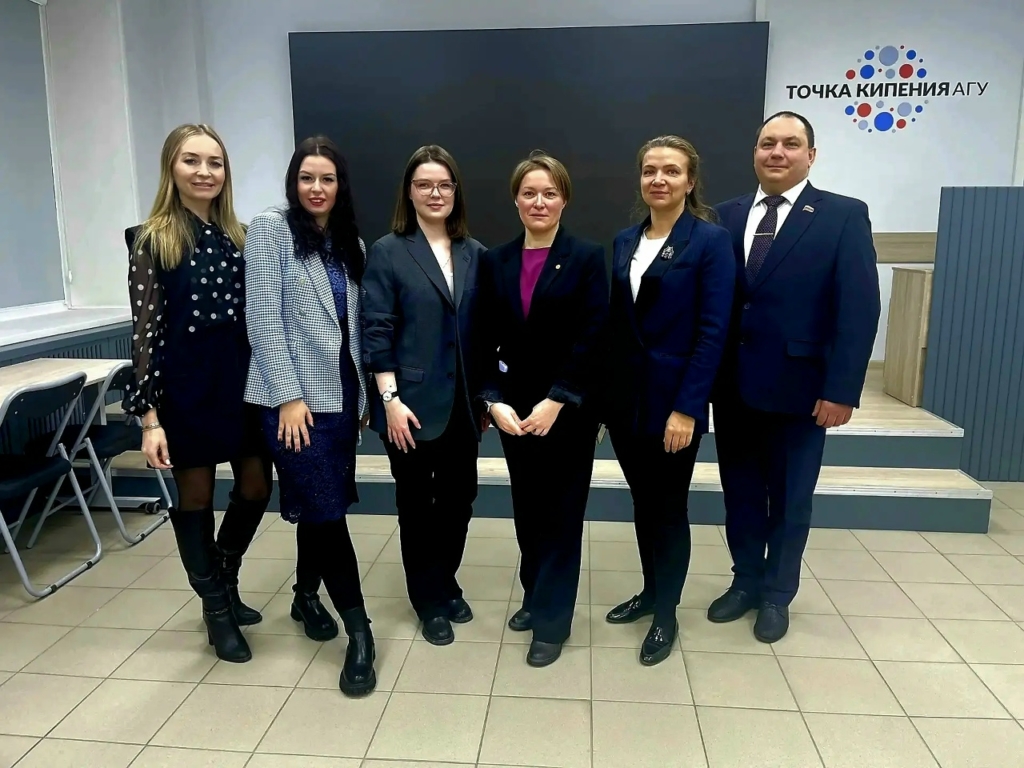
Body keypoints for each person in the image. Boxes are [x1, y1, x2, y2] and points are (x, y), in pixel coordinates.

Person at [710, 111, 880, 643]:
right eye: (767, 143)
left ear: (811, 154)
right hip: (733, 387)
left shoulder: (842, 215)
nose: (776, 152)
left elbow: (859, 310)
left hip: (801, 390)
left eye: (789, 143)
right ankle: (745, 580)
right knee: (740, 493)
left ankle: (777, 594)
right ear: (754, 153)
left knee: (789, 499)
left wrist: (841, 389)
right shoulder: (724, 215)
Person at [124, 124, 272, 664]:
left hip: (243, 384)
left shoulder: (241, 237)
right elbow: (144, 334)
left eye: (215, 162)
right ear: (171, 166)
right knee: (197, 498)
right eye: (192, 160)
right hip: (185, 390)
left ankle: (225, 576)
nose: (205, 172)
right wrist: (150, 419)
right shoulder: (151, 239)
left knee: (257, 487)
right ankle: (216, 609)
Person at [244, 135, 376, 695]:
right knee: (326, 511)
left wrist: (362, 397)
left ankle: (303, 596)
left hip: (342, 400)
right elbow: (262, 318)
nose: (316, 188)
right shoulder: (271, 229)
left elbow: (352, 329)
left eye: (327, 178)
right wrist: (288, 397)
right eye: (306, 177)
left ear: (340, 186)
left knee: (319, 506)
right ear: (292, 182)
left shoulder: (350, 243)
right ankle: (361, 632)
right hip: (292, 405)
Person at [603, 136, 735, 666]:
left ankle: (667, 613)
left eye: (671, 171)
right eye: (650, 170)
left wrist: (688, 408)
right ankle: (650, 591)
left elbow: (713, 332)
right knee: (642, 502)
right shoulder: (624, 240)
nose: (659, 179)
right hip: (626, 402)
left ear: (690, 181)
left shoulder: (710, 242)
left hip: (674, 404)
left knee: (668, 507)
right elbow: (618, 325)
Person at [477, 151, 609, 667]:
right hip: (515, 413)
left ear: (564, 200)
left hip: (566, 412)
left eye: (549, 193)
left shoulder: (586, 256)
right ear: (516, 199)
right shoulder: (496, 260)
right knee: (528, 509)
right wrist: (493, 400)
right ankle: (534, 595)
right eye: (529, 193)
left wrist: (557, 399)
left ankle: (553, 622)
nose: (539, 202)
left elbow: (593, 336)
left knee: (561, 515)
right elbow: (483, 337)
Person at [362, 145, 486, 646]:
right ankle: (428, 600)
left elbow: (482, 334)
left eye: (444, 184)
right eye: (424, 185)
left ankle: (445, 580)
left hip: (463, 406)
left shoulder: (475, 252)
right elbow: (376, 330)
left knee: (459, 500)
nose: (435, 193)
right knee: (417, 505)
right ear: (409, 193)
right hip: (407, 405)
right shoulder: (388, 250)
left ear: (456, 192)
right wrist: (389, 400)